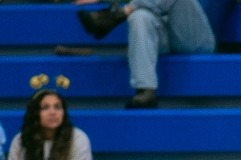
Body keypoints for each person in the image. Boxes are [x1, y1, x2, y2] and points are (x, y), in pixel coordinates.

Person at [76, 0, 217, 109]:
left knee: (137, 10)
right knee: (139, 16)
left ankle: (115, 16)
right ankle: (146, 90)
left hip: (195, 36)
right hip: (164, 32)